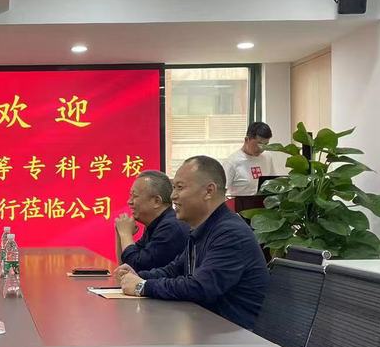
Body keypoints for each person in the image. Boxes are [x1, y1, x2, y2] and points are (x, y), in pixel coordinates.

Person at [115, 155, 269, 329]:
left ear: (209, 191)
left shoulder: (230, 233)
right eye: (173, 188)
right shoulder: (201, 229)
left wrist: (142, 286)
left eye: (180, 188)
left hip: (235, 335)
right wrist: (138, 276)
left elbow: (201, 287)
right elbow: (174, 270)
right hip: (205, 328)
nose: (173, 196)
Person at [114, 170, 188, 272]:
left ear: (156, 201)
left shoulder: (171, 227)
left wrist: (125, 234)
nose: (129, 201)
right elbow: (125, 267)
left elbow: (137, 268)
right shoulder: (154, 225)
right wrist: (120, 234)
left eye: (135, 196)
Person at [223, 121, 288, 197]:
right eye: (259, 144)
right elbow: (220, 193)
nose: (262, 149)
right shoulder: (232, 162)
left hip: (264, 203)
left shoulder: (267, 157)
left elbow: (273, 183)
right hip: (241, 203)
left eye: (265, 145)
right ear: (247, 139)